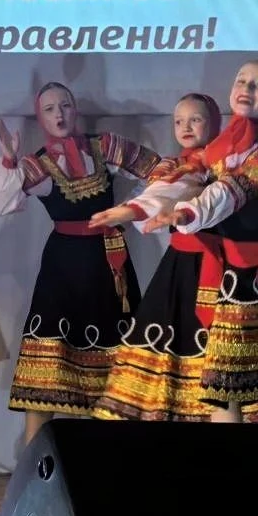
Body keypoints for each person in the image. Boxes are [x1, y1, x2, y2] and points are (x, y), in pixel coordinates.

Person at [0, 82, 160, 444]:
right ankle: (34, 459)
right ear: (40, 117)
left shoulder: (104, 146)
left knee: (115, 361)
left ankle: (115, 456)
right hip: (63, 267)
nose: (59, 114)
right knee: (48, 356)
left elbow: (158, 171)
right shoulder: (38, 164)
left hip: (107, 264)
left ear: (75, 109)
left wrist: (130, 211)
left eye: (64, 105)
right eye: (49, 109)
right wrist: (8, 161)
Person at [89, 93, 222, 421]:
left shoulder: (223, 164)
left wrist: (131, 210)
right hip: (179, 268)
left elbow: (180, 188)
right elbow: (161, 191)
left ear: (214, 122)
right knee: (160, 345)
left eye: (195, 119)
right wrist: (130, 210)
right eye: (179, 121)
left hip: (217, 269)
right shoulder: (173, 166)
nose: (186, 127)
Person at [149, 60, 258, 423]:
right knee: (223, 388)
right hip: (237, 278)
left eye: (257, 84)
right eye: (241, 81)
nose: (247, 89)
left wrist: (188, 214)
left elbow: (232, 191)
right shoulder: (222, 150)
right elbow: (185, 183)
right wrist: (140, 210)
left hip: (246, 272)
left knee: (229, 388)